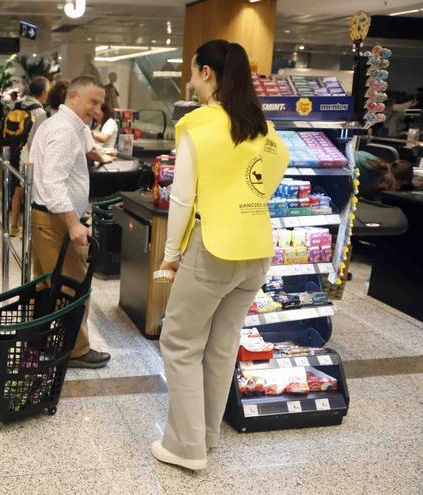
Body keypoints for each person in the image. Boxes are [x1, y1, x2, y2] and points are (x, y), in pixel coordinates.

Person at [152, 39, 289, 471]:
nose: (192, 81)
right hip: (256, 247)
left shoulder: (198, 124)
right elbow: (275, 172)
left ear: (207, 73)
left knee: (180, 342)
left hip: (213, 248)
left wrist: (170, 254)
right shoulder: (262, 127)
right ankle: (207, 435)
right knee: (222, 345)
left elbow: (181, 198)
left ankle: (185, 448)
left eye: (193, 73)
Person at [29, 75, 112, 369]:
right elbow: (53, 182)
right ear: (73, 97)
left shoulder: (62, 125)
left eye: (100, 104)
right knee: (72, 287)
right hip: (56, 222)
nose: (97, 109)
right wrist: (73, 223)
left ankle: (39, 342)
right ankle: (76, 350)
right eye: (93, 102)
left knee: (46, 286)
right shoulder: (64, 131)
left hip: (46, 218)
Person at [8, 76, 50, 236]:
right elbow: (35, 140)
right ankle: (29, 229)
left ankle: (14, 225)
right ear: (44, 92)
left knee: (18, 189)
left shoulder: (17, 104)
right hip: (28, 154)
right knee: (29, 191)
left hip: (14, 149)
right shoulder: (40, 112)